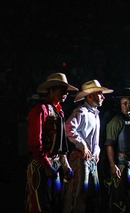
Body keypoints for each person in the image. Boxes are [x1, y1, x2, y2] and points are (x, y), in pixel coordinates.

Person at [25, 73, 78, 213]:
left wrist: (65, 165)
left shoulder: (59, 111)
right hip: (41, 165)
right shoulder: (40, 110)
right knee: (41, 205)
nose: (66, 93)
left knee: (55, 204)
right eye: (62, 89)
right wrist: (46, 165)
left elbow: (61, 144)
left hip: (54, 164)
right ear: (52, 90)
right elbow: (34, 142)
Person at [63, 80, 113, 213]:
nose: (103, 97)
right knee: (79, 196)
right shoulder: (82, 112)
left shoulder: (95, 114)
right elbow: (68, 127)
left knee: (94, 195)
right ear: (90, 96)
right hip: (80, 159)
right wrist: (82, 145)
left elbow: (95, 139)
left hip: (91, 160)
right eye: (100, 94)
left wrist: (96, 151)